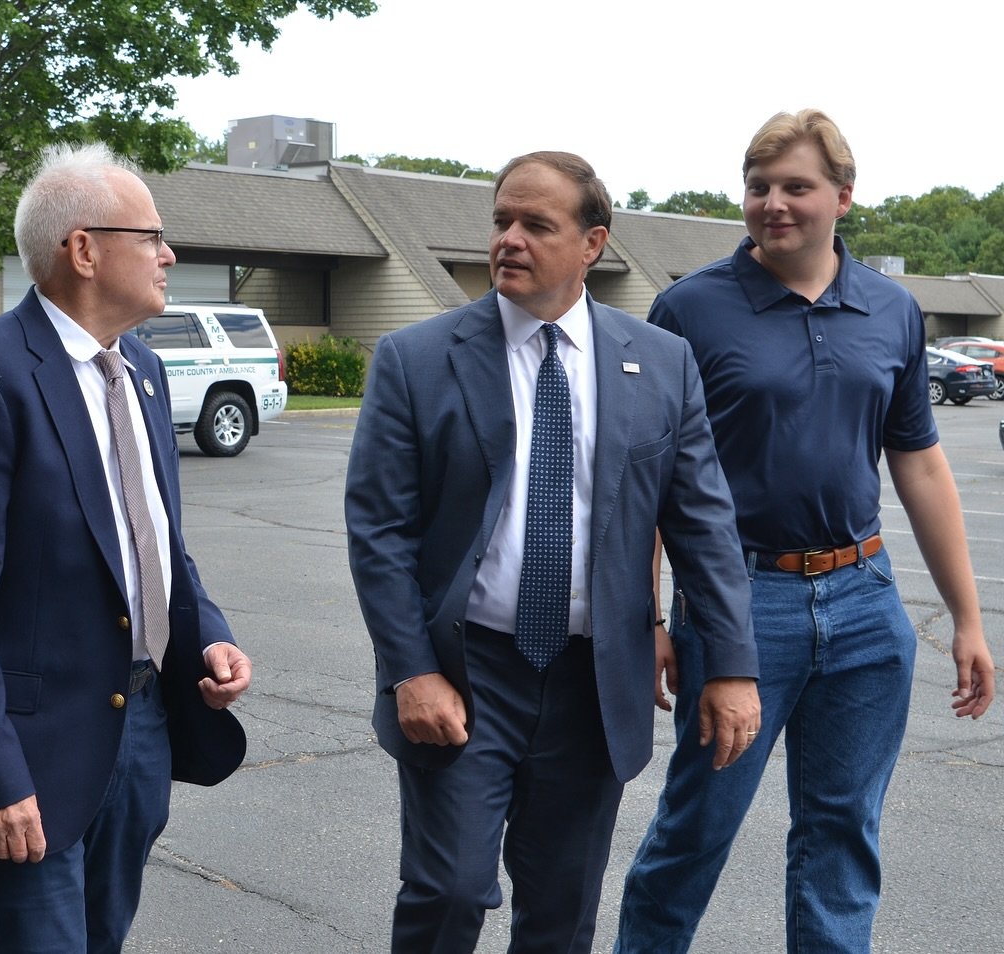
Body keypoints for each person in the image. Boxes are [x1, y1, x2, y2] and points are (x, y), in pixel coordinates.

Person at [344, 151, 760, 954]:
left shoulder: (661, 364)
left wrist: (735, 667)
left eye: (537, 225)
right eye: (502, 221)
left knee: (562, 913)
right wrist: (410, 669)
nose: (510, 239)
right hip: (467, 674)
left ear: (592, 243)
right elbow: (379, 531)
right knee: (449, 890)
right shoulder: (416, 359)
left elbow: (704, 524)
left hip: (593, 680)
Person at [614, 109, 996, 954]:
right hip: (739, 605)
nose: (773, 203)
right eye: (758, 188)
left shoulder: (891, 311)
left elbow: (921, 465)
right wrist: (646, 620)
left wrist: (966, 620)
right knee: (695, 831)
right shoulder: (690, 310)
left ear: (844, 198)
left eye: (796, 187)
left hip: (864, 603)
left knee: (842, 837)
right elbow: (646, 484)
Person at [0, 141, 252, 953]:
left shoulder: (142, 367)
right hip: (25, 749)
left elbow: (156, 539)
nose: (169, 255)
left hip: (140, 728)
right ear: (84, 249)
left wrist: (210, 635)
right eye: (152, 236)